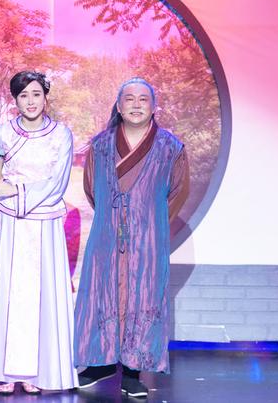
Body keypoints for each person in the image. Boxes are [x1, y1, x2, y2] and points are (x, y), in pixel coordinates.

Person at [74, 77, 189, 398]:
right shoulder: (100, 145)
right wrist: (115, 218)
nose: (136, 105)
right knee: (103, 293)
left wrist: (150, 221)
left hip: (149, 237)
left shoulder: (170, 148)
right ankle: (100, 363)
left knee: (143, 296)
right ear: (119, 106)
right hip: (107, 234)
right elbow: (92, 189)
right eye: (129, 99)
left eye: (143, 99)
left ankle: (134, 371)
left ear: (153, 106)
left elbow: (179, 191)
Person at [0, 71, 78, 394]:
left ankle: (37, 372)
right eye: (23, 96)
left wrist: (16, 191)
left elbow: (58, 181)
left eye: (36, 94)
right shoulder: (3, 134)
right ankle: (5, 370)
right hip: (10, 224)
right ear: (15, 100)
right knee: (10, 294)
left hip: (44, 223)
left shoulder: (61, 135)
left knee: (41, 295)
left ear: (45, 97)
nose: (30, 101)